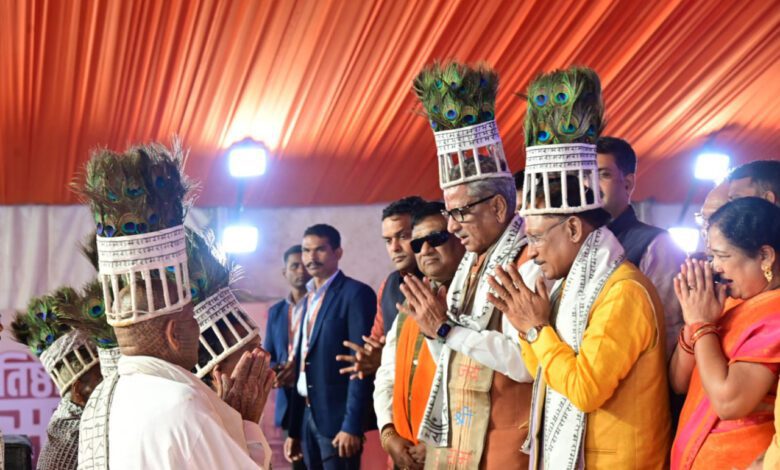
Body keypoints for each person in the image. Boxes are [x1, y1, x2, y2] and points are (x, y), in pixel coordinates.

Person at [491, 66, 670, 469]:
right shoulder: (572, 283)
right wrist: (526, 327)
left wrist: (538, 329)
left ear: (573, 227)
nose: (531, 252)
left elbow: (585, 389)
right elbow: (545, 373)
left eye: (536, 238)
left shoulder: (622, 290)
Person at [76, 142, 272, 469]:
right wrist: (246, 423)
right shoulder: (182, 405)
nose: (197, 329)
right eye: (192, 321)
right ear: (174, 333)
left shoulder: (102, 400)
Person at [402, 61, 539, 469]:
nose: (451, 225)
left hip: (504, 440)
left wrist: (445, 327)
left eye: (460, 213)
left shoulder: (528, 260)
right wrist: (432, 327)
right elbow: (450, 345)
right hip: (458, 436)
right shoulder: (471, 263)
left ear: (498, 206)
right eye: (449, 212)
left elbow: (523, 362)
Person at [670, 197, 780, 469]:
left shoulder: (775, 314)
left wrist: (702, 326)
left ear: (765, 256)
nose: (715, 267)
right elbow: (678, 382)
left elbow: (729, 402)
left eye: (723, 256)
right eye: (711, 256)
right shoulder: (730, 303)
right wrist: (694, 320)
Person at [374, 201, 465, 469]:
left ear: (460, 239)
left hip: (454, 453)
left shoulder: (478, 300)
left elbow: (475, 388)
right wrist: (388, 434)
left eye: (436, 239)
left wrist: (437, 442)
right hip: (404, 452)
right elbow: (387, 375)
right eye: (417, 243)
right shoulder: (409, 301)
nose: (425, 250)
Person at [286, 224, 377, 470]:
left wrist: (352, 425)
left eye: (320, 250)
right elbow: (302, 363)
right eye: (306, 251)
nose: (311, 258)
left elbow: (360, 363)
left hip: (338, 419)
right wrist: (293, 431)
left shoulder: (356, 294)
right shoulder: (307, 299)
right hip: (307, 414)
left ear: (338, 253)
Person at [597, 136, 685, 360]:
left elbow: (667, 326)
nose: (590, 185)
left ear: (627, 183)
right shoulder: (577, 242)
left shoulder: (656, 243)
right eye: (584, 175)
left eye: (603, 175)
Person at [11, 290, 103, 470]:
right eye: (99, 379)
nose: (105, 384)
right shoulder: (68, 439)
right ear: (78, 390)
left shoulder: (81, 422)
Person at [338, 196, 425, 381]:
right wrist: (368, 358)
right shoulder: (388, 285)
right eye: (388, 240)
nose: (394, 247)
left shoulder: (448, 279)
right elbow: (376, 343)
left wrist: (385, 358)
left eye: (403, 236)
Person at [265, 244, 310, 468]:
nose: (301, 270)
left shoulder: (321, 305)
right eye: (294, 266)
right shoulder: (276, 312)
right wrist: (277, 371)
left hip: (315, 399)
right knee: (297, 464)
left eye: (305, 265)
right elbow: (268, 355)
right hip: (287, 400)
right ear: (285, 272)